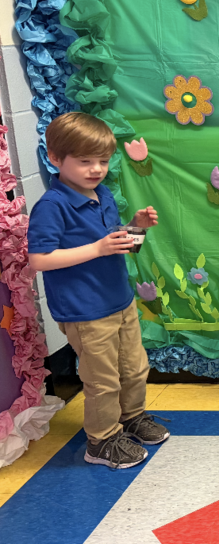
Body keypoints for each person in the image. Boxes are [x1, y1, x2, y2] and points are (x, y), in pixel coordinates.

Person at [27, 112, 166, 469]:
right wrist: (97, 249)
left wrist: (136, 227)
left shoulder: (101, 194)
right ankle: (101, 441)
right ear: (55, 158)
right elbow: (40, 259)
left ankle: (131, 417)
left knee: (134, 368)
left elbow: (120, 245)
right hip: (84, 310)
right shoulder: (52, 206)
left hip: (119, 300)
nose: (96, 169)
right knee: (101, 380)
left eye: (103, 161)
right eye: (85, 161)